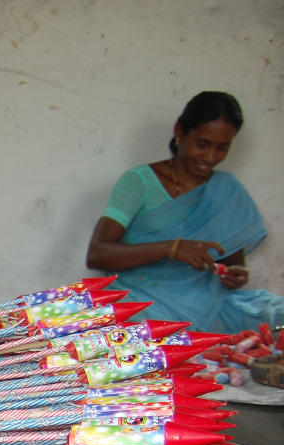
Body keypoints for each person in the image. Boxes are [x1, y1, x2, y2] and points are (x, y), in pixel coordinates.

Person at [85, 91, 280, 334]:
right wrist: (172, 248)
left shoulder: (225, 189)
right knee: (121, 329)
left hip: (207, 302)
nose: (210, 157)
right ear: (180, 131)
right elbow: (98, 254)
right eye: (203, 144)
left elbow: (232, 264)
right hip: (144, 300)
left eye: (222, 148)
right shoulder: (140, 182)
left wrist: (235, 275)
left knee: (276, 314)